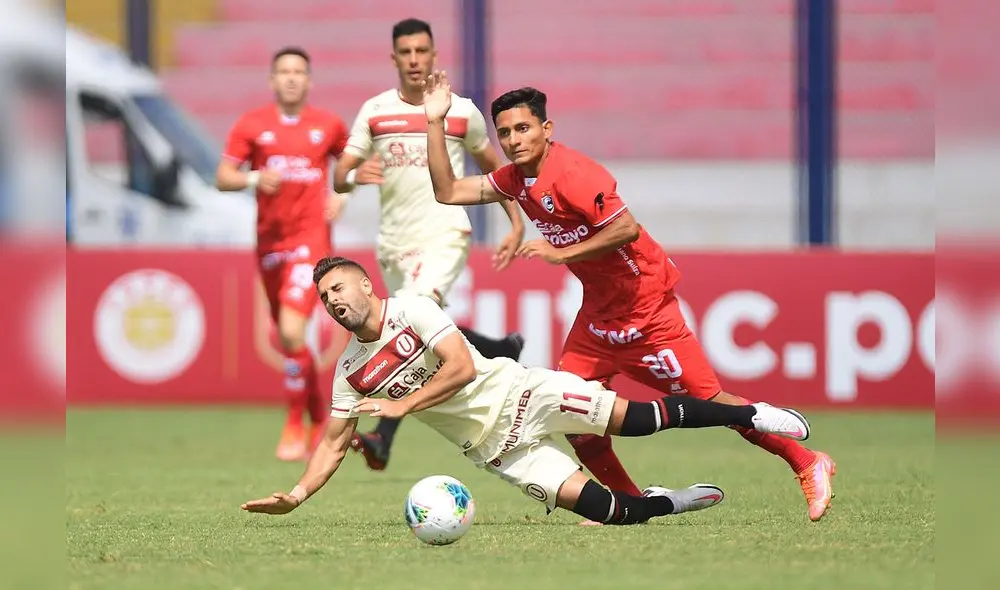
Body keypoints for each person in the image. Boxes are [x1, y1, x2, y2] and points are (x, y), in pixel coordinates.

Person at [421, 72, 837, 522]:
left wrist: (563, 252)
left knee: (714, 407)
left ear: (547, 128)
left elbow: (626, 228)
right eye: (504, 132)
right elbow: (448, 192)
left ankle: (807, 461)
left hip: (647, 308)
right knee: (573, 413)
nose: (513, 140)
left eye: (523, 128)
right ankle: (629, 501)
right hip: (599, 317)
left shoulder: (576, 175)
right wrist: (434, 123)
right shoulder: (516, 180)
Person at [240, 256, 813, 524]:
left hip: (523, 394)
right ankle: (673, 500)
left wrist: (401, 405)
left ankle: (758, 414)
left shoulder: (411, 307)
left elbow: (461, 367)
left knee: (638, 420)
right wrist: (296, 494)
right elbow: (335, 441)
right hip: (495, 448)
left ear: (366, 283)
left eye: (340, 287)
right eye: (325, 298)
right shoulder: (349, 370)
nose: (335, 301)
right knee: (609, 512)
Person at [330, 19, 526, 470]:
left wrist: (516, 223)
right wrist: (356, 175)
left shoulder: (460, 110)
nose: (415, 60)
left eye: (422, 51)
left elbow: (497, 170)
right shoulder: (376, 111)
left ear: (434, 55)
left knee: (414, 312)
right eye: (406, 52)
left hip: (444, 233)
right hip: (394, 244)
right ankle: (498, 350)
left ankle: (382, 435)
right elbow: (340, 175)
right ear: (394, 58)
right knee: (414, 327)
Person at [216, 47, 349, 462]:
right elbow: (223, 177)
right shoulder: (252, 125)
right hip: (270, 244)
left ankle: (294, 423)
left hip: (312, 241)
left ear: (309, 80)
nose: (291, 78)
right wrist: (255, 176)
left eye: (298, 72)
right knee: (290, 338)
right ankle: (315, 416)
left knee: (292, 330)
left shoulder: (327, 125)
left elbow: (352, 164)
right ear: (272, 80)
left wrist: (344, 194)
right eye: (284, 72)